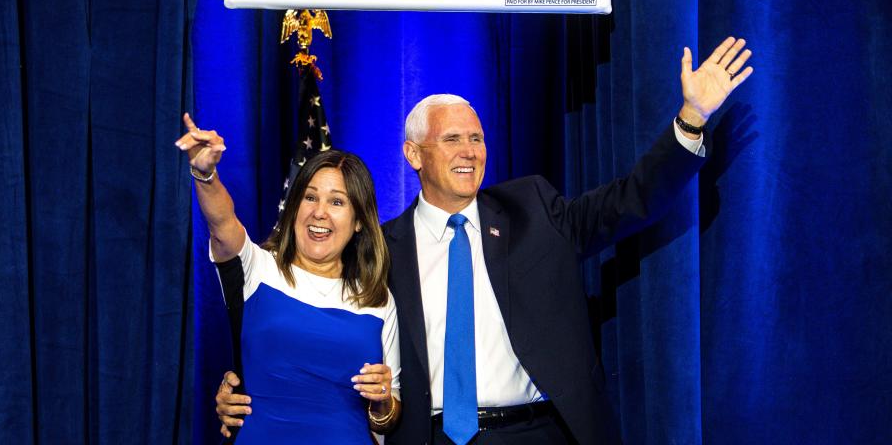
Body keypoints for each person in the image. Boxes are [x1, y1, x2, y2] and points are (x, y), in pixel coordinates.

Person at [215, 37, 754, 444]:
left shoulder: (534, 210)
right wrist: (245, 389)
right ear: (413, 154)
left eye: (476, 137)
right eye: (452, 139)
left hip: (539, 432)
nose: (469, 150)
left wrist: (692, 118)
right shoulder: (379, 249)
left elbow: (630, 200)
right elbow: (316, 320)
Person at [177, 114, 402, 443]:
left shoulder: (376, 299)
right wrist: (205, 174)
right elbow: (222, 225)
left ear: (358, 222)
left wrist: (383, 403)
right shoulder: (258, 268)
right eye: (310, 197)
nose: (319, 212)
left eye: (337, 201)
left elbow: (388, 418)